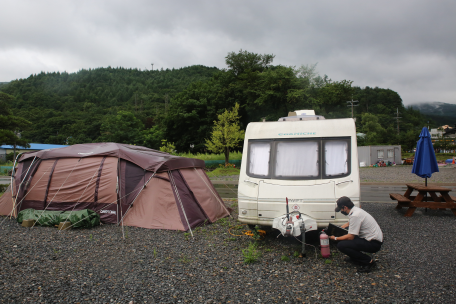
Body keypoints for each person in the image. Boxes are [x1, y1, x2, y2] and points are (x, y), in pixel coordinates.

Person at [329, 196, 383, 273]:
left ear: (345, 207)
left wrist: (335, 238)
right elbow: (353, 222)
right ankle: (354, 257)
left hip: (373, 243)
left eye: (341, 209)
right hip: (373, 239)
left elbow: (350, 237)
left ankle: (368, 261)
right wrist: (343, 226)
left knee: (341, 245)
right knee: (346, 237)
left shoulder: (355, 215)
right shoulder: (356, 210)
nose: (341, 211)